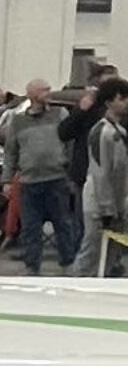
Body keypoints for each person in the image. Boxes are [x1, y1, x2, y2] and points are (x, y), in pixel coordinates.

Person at [1, 78, 75, 275]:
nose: (48, 93)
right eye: (44, 90)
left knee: (63, 224)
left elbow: (70, 143)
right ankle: (32, 266)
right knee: (30, 228)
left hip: (57, 179)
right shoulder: (18, 122)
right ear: (32, 94)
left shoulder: (60, 114)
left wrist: (69, 168)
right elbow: (11, 152)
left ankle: (68, 263)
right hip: (29, 182)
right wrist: (7, 180)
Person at [71, 77, 128, 277]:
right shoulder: (101, 132)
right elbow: (100, 171)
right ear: (109, 101)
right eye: (122, 98)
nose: (126, 102)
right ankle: (75, 290)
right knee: (91, 253)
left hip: (117, 202)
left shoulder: (119, 131)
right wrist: (106, 209)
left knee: (112, 255)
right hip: (99, 204)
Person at [59, 64, 119, 250]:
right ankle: (83, 268)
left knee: (115, 224)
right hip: (85, 174)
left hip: (115, 176)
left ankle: (111, 263)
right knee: (84, 224)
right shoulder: (88, 109)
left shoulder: (122, 113)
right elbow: (64, 133)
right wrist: (81, 110)